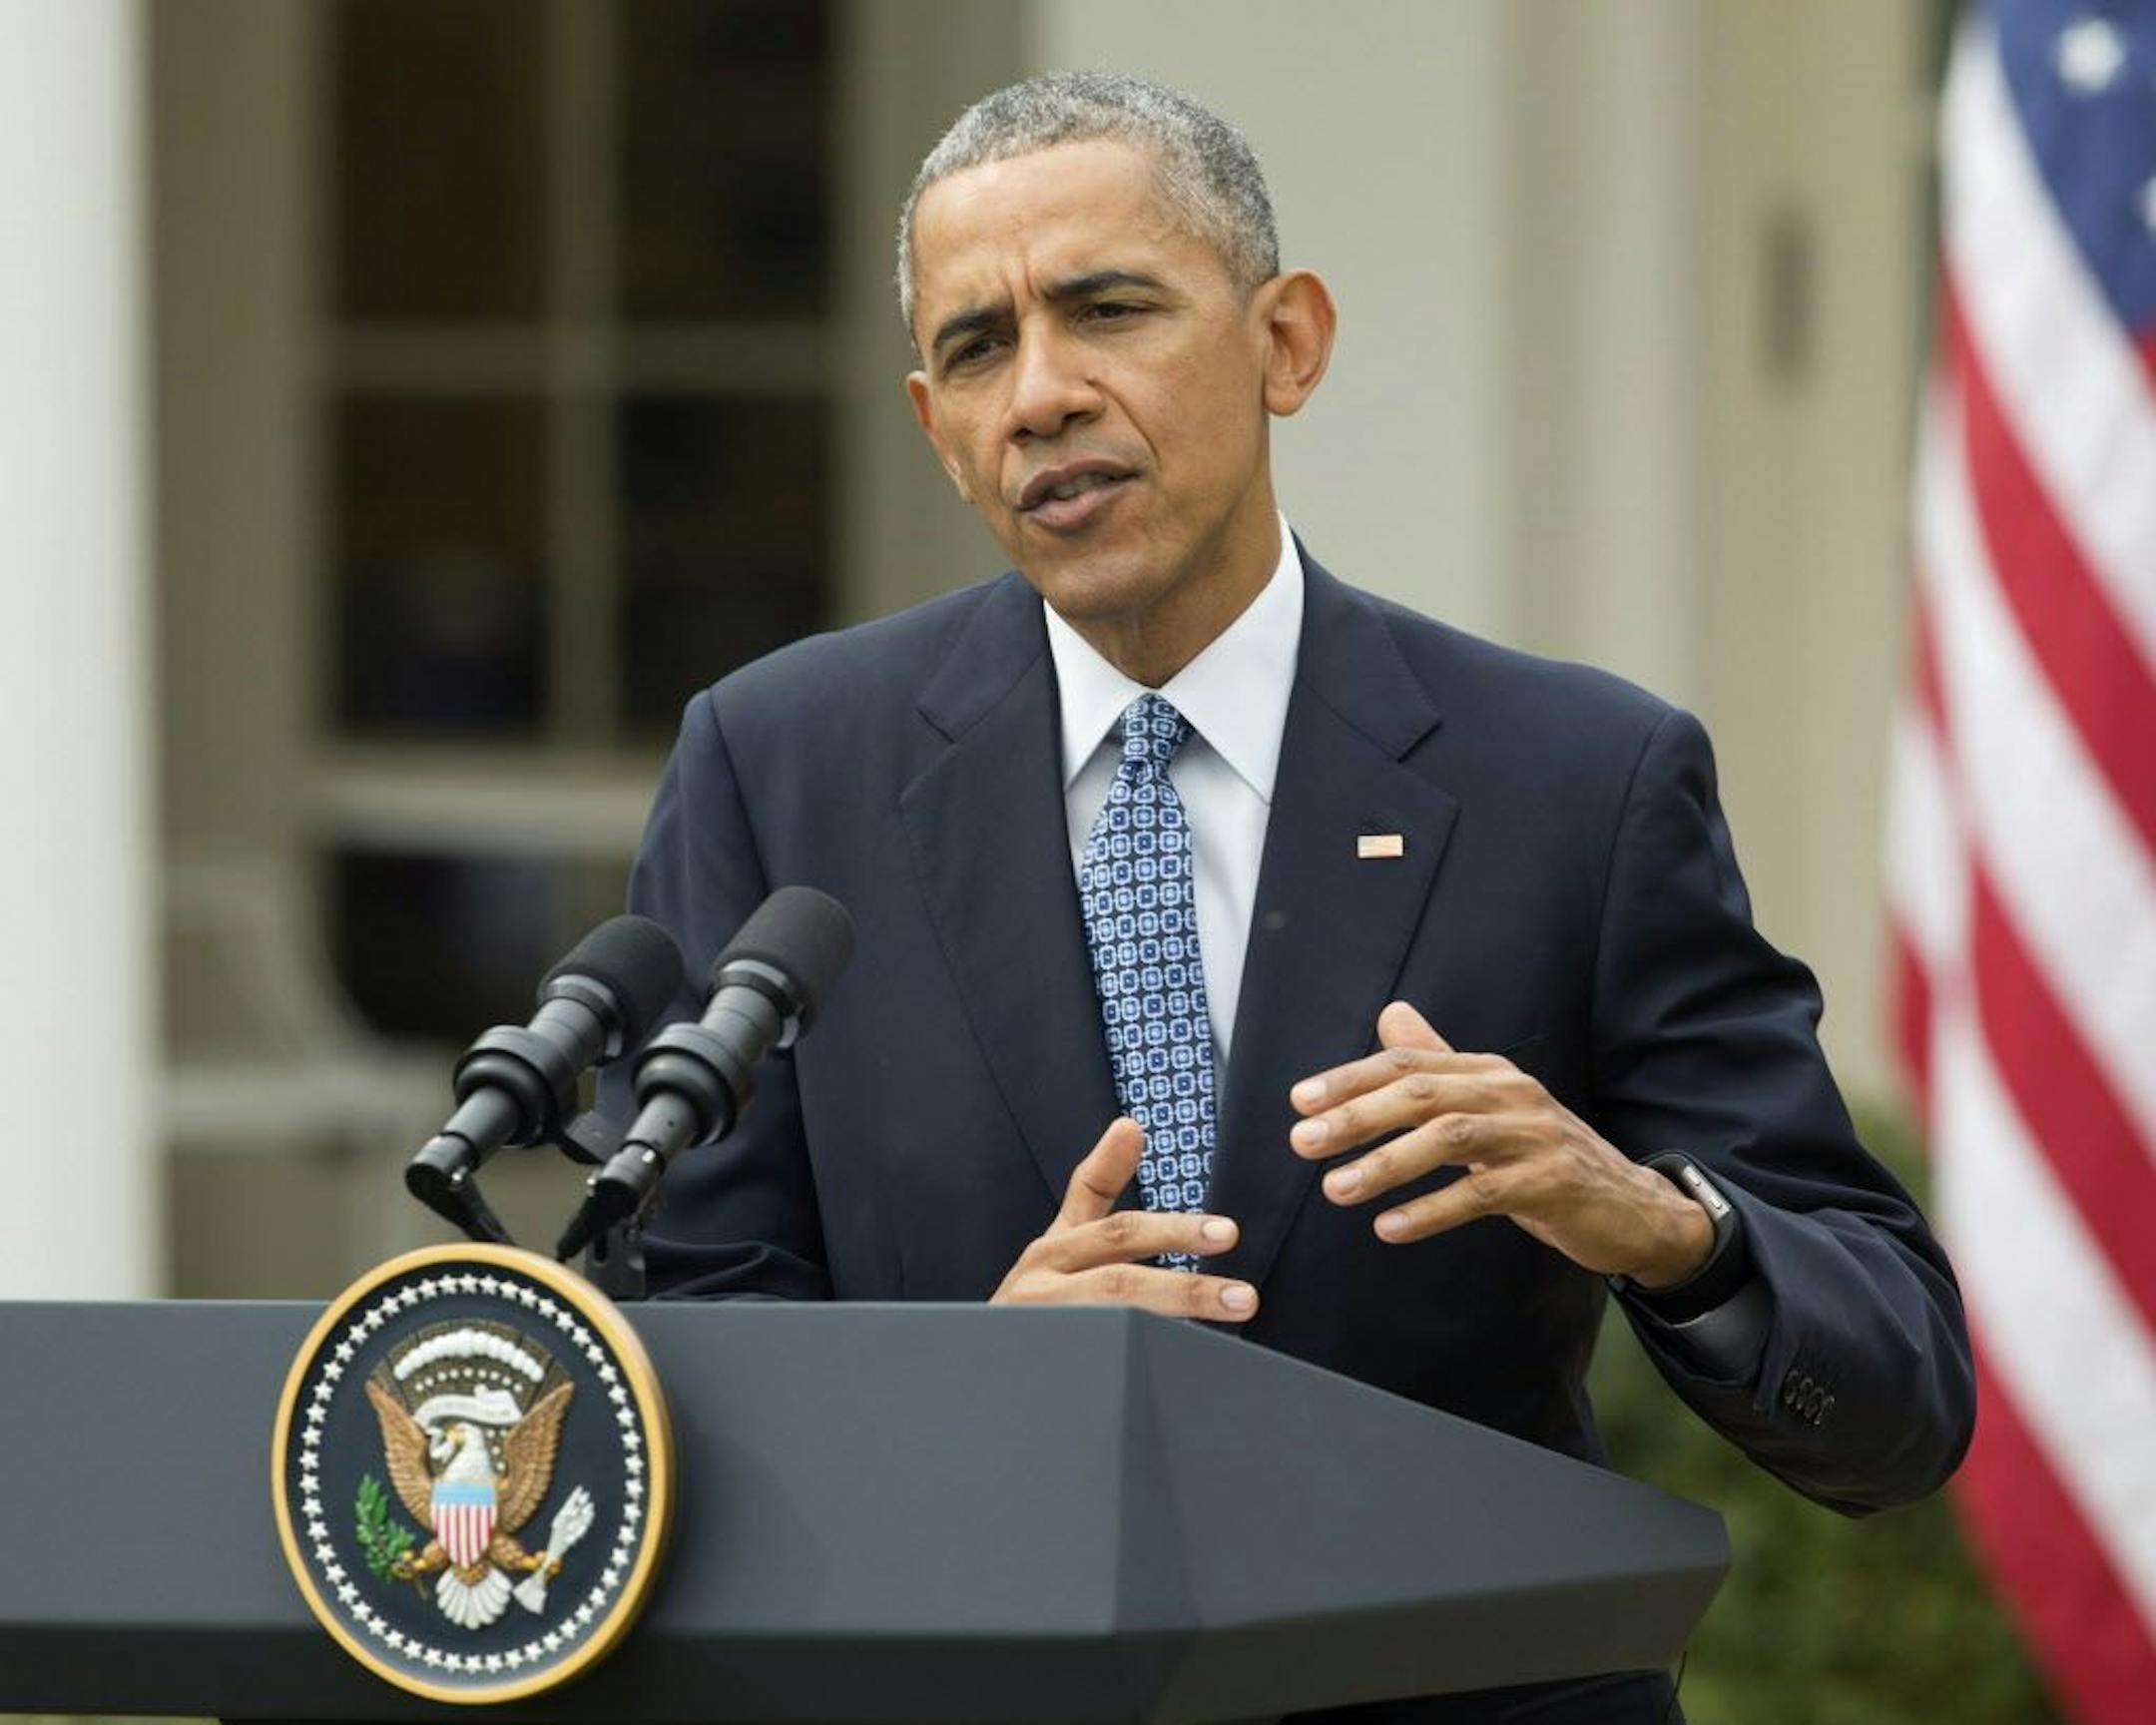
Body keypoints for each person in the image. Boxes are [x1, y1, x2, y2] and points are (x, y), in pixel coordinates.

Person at [607, 73, 1974, 1725]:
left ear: (1287, 344)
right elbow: (669, 1343)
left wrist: (1656, 1226)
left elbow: (1892, 1394)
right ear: (934, 425)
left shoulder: (1576, 779)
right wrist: (959, 1397)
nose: (1042, 394)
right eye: (980, 348)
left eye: (1108, 309)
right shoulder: (776, 765)